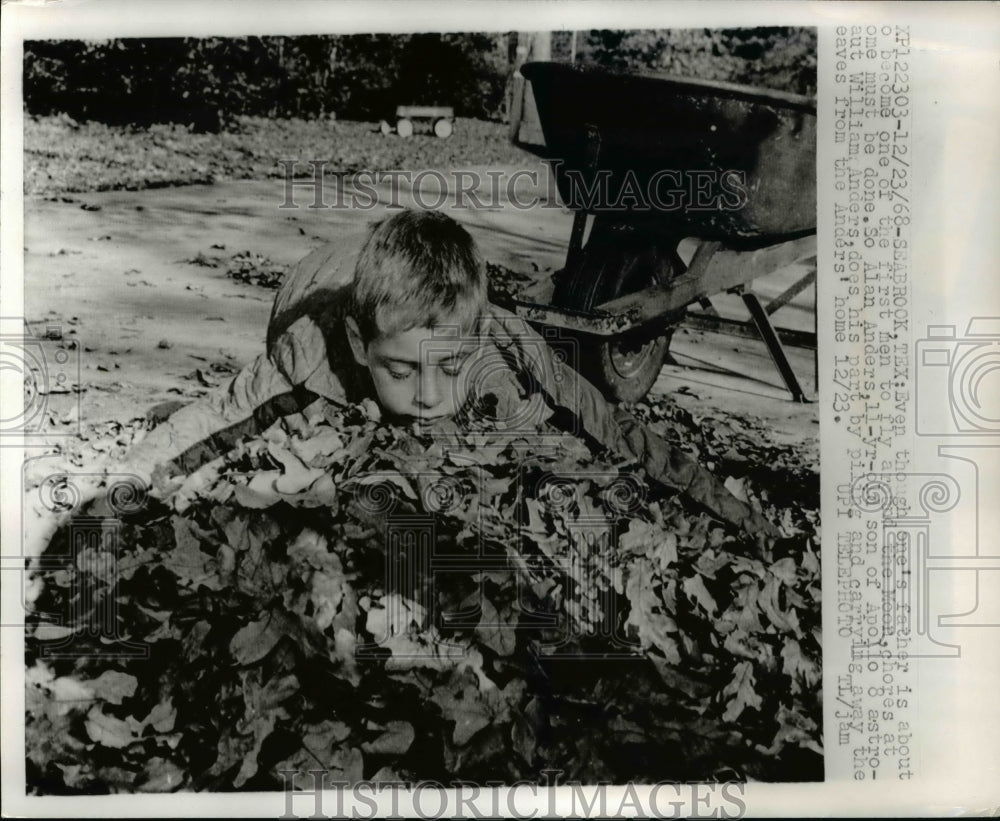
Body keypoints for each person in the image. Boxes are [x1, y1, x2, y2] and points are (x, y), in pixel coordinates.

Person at [27, 209, 777, 553]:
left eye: (447, 369)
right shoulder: (315, 348)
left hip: (404, 279)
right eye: (398, 369)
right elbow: (214, 416)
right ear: (360, 343)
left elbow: (612, 426)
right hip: (317, 279)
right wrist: (109, 496)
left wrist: (732, 511)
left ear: (479, 339)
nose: (425, 395)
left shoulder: (503, 343)